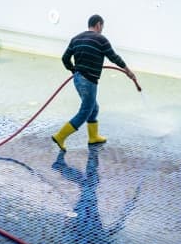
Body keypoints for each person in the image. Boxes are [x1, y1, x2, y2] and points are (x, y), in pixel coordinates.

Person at [52, 14, 136, 150]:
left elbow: (65, 58)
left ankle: (93, 137)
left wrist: (73, 70)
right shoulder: (101, 39)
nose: (102, 29)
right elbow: (114, 57)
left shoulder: (76, 39)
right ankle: (60, 136)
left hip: (78, 79)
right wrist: (128, 71)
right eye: (102, 26)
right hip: (89, 80)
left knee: (93, 107)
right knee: (85, 110)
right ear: (98, 25)